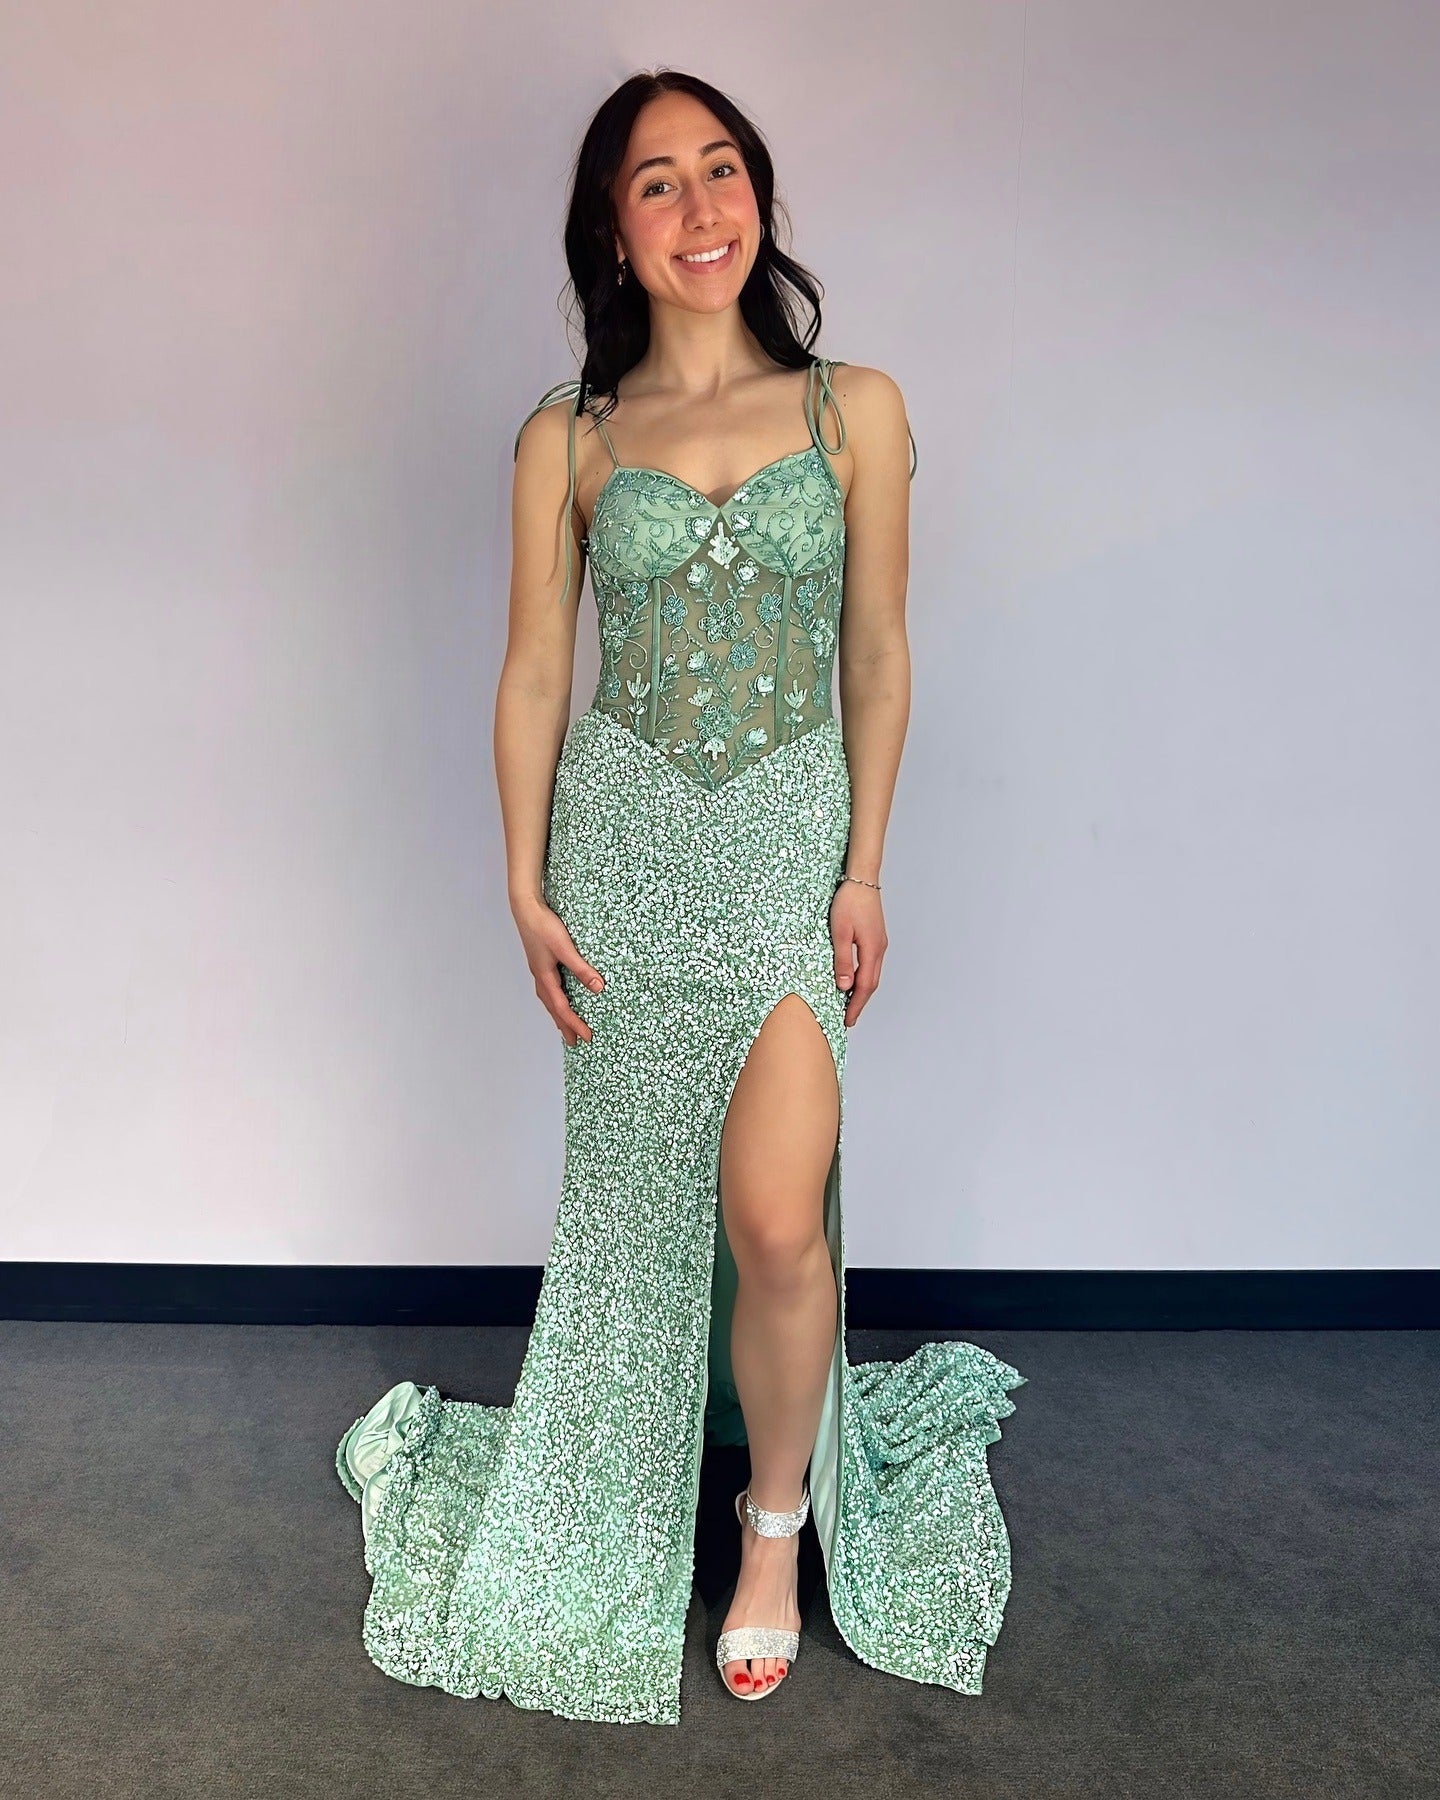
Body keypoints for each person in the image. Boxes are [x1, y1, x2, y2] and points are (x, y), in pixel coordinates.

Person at [335, 67, 1025, 1727]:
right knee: (641, 1222)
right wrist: (522, 880)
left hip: (786, 844)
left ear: (759, 200)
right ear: (613, 229)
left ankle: (772, 1530)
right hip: (627, 853)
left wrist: (865, 864)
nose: (701, 207)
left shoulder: (852, 410)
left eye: (723, 170)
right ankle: (634, 1494)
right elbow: (532, 673)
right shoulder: (567, 437)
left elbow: (877, 653)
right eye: (659, 182)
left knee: (779, 1218)